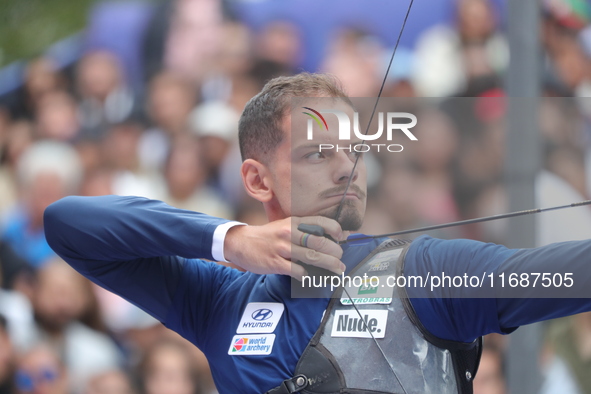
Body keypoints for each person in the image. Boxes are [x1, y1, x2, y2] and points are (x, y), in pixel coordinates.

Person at [44, 73, 591, 394]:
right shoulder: (218, 297)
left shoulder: (425, 271)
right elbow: (69, 224)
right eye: (318, 153)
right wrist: (232, 241)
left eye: (353, 149)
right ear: (257, 179)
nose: (346, 167)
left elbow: (571, 272)